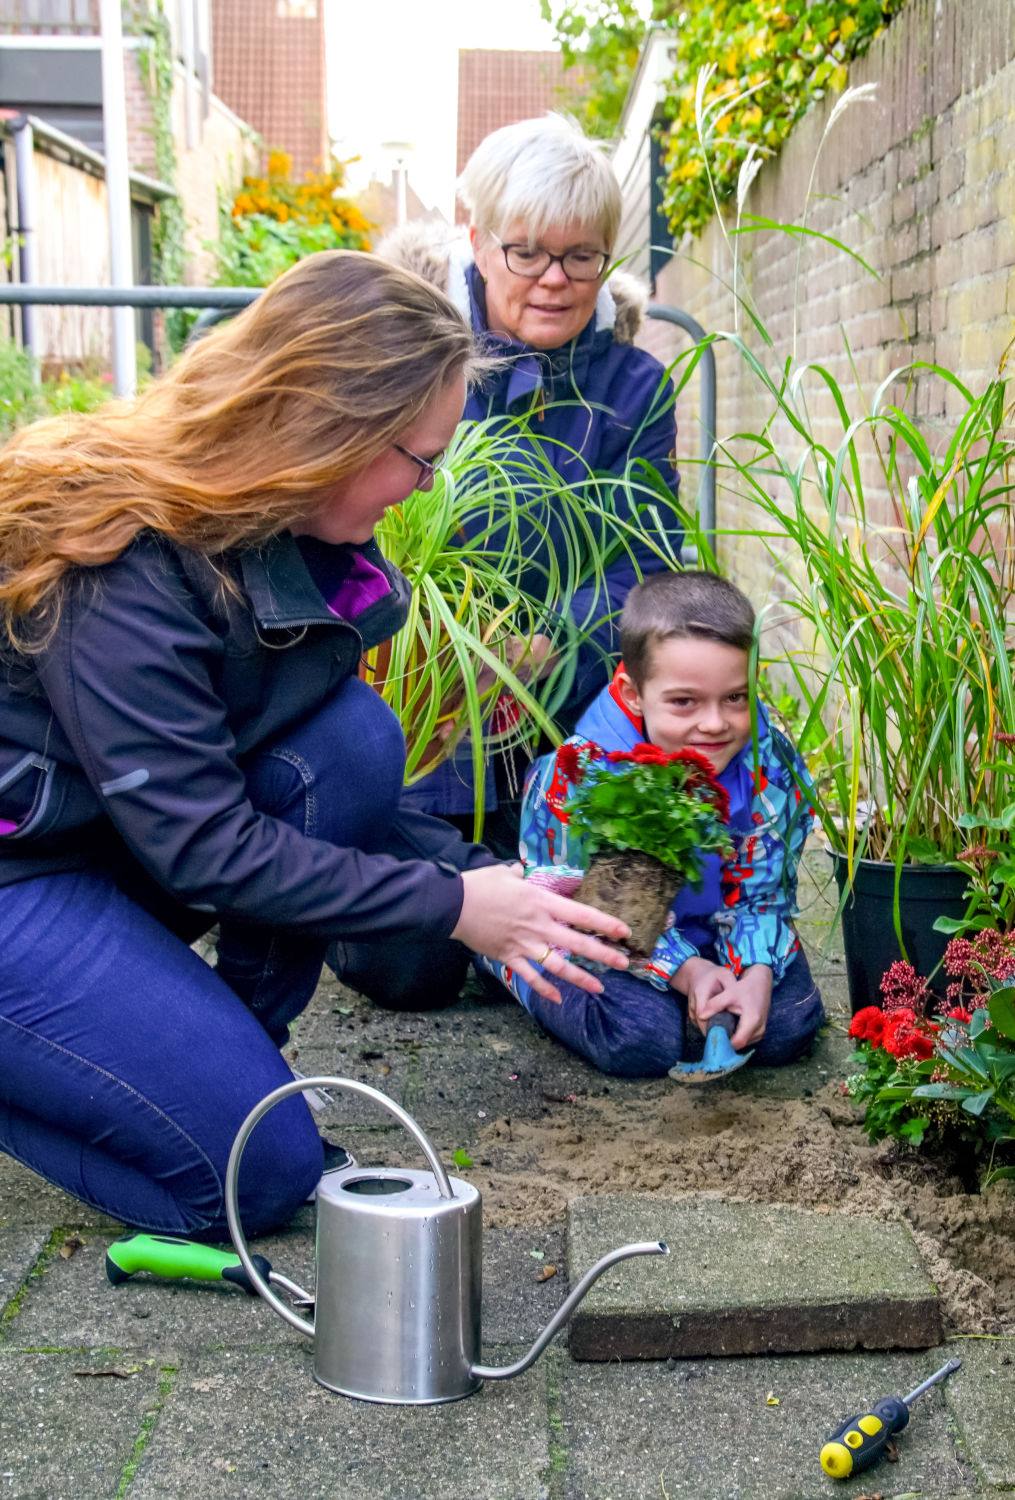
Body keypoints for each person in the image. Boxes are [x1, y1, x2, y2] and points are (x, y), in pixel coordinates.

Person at [0, 251, 631, 1240]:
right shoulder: (122, 553)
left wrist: (500, 886)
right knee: (253, 1184)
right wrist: (453, 907)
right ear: (333, 427)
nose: (422, 487)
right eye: (420, 458)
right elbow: (204, 846)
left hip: (77, 835)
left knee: (350, 742)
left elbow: (319, 792)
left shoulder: (274, 525)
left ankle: (220, 1070)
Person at [333, 114, 682, 1009]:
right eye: (527, 252)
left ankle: (520, 897)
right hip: (415, 715)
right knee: (406, 974)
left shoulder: (633, 387)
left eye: (582, 256)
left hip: (557, 710)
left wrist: (538, 649)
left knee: (579, 925)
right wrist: (442, 650)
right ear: (477, 239)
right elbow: (347, 521)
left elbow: (642, 565)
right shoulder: (400, 354)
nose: (556, 281)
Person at [478, 570, 827, 1078]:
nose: (715, 723)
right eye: (684, 701)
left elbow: (763, 889)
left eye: (736, 697)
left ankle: (717, 993)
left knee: (788, 1026)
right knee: (638, 1040)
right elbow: (598, 915)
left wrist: (754, 971)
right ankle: (505, 964)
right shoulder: (586, 776)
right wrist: (687, 971)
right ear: (634, 691)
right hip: (602, 928)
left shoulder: (767, 761)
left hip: (715, 924)